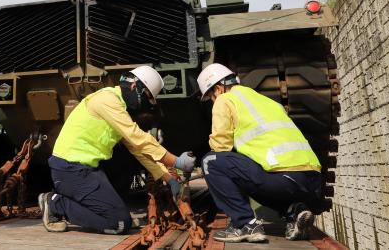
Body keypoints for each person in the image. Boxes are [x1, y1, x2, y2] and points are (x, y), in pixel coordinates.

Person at [39, 66, 196, 234]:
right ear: (136, 87)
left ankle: (104, 206)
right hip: (70, 170)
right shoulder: (107, 100)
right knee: (119, 223)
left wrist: (168, 178)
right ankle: (56, 203)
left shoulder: (117, 104)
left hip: (87, 170)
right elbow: (138, 137)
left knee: (126, 158)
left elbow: (137, 149)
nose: (145, 104)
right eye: (147, 98)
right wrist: (177, 161)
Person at [197, 63, 322, 243]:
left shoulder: (224, 100)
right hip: (312, 181)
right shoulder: (266, 100)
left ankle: (244, 224)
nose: (212, 100)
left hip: (283, 180)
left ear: (218, 88)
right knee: (252, 173)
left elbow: (220, 146)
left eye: (210, 96)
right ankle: (294, 211)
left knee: (211, 161)